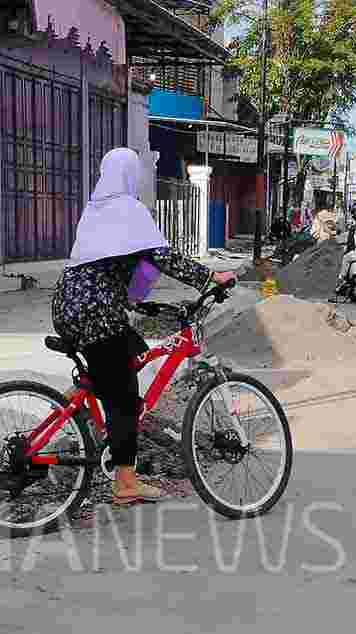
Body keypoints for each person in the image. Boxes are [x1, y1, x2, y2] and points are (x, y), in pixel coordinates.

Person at [53, 148, 235, 506]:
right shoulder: (129, 208)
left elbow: (122, 263)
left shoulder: (95, 209)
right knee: (124, 397)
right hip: (96, 313)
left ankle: (82, 411)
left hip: (68, 306)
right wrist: (210, 278)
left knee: (127, 356)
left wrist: (138, 300)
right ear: (131, 175)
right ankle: (125, 483)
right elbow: (160, 256)